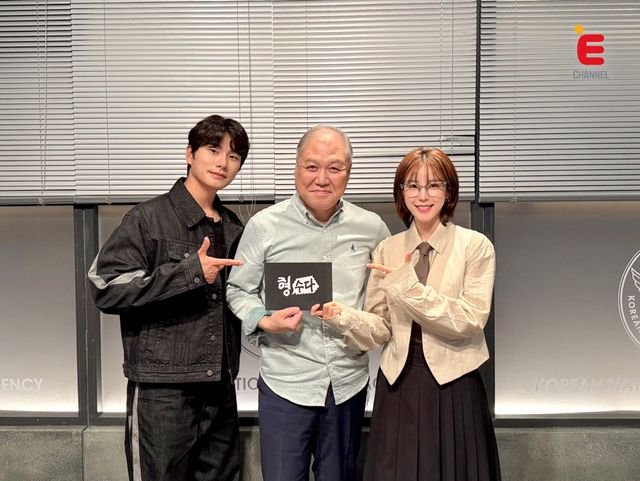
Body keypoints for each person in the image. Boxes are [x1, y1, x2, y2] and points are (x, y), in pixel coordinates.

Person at [314, 147, 501, 481]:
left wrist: (406, 285)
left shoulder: (475, 246)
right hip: (399, 382)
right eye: (413, 186)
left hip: (456, 384)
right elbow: (381, 326)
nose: (423, 196)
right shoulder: (388, 248)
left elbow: (469, 319)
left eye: (434, 185)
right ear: (401, 193)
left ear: (449, 191)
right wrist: (342, 316)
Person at [88, 114, 250, 481]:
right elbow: (105, 287)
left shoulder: (233, 225)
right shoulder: (148, 218)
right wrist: (189, 272)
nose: (223, 163)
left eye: (234, 156)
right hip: (163, 389)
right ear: (190, 154)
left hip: (220, 386)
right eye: (213, 150)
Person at [226, 125, 390, 481]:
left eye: (334, 168)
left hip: (347, 382)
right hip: (286, 380)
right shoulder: (264, 226)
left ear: (348, 171)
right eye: (312, 166)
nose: (322, 178)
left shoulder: (372, 228)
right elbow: (238, 289)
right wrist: (264, 319)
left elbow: (383, 301)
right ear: (296, 167)